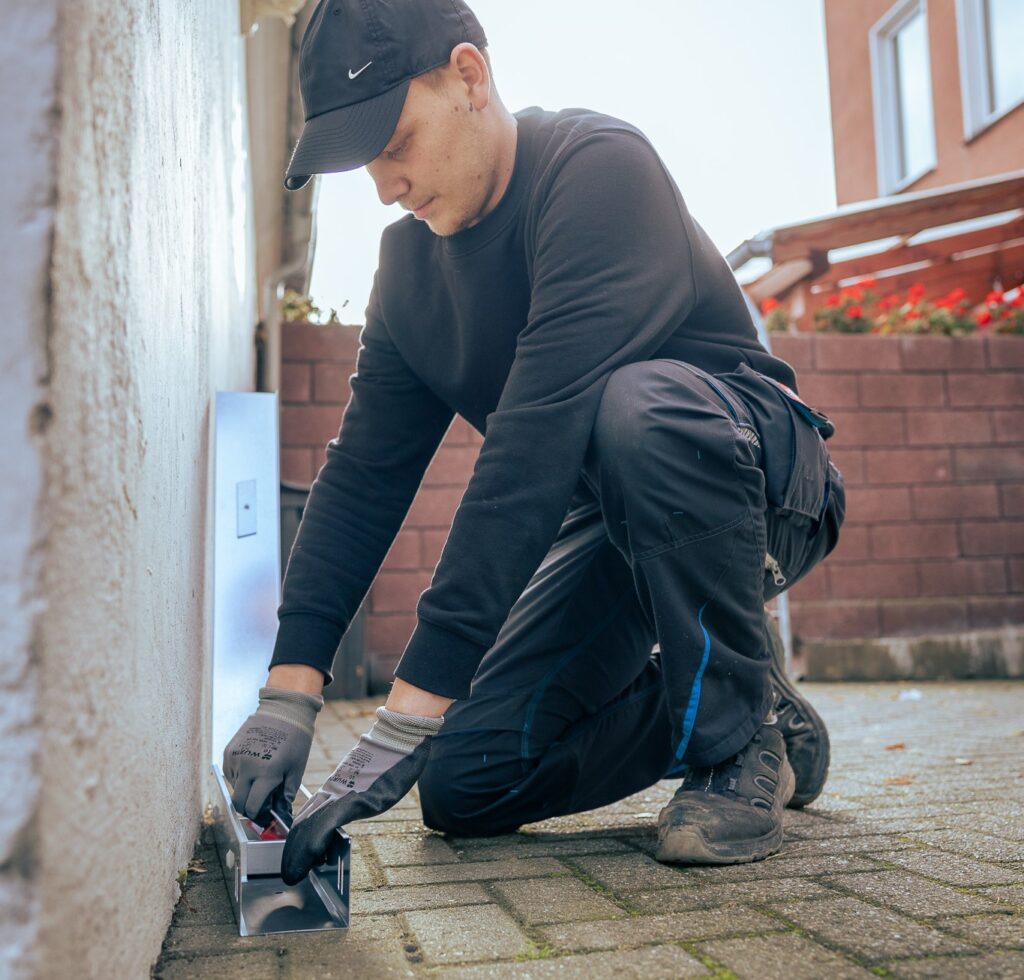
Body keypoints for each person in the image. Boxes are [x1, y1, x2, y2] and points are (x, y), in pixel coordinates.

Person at [223, 0, 845, 887]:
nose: (385, 185)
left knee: (639, 409)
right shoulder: (409, 275)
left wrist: (399, 715)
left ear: (469, 77)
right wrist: (290, 691)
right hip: (613, 530)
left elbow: (530, 447)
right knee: (467, 779)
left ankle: (734, 743)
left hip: (757, 482)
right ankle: (753, 710)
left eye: (394, 142)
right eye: (366, 163)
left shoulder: (597, 171)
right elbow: (362, 479)